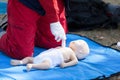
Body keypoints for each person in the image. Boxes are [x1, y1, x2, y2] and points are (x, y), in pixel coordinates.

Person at [0, 0, 68, 59]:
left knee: (56, 41)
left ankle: (27, 31)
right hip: (25, 3)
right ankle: (5, 29)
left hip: (53, 3)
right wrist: (54, 21)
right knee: (21, 52)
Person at [11, 40, 90, 71]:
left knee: (43, 63)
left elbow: (75, 61)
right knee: (43, 63)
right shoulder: (68, 49)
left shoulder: (71, 52)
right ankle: (26, 64)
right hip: (50, 55)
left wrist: (66, 64)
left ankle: (27, 64)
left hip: (50, 56)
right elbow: (75, 61)